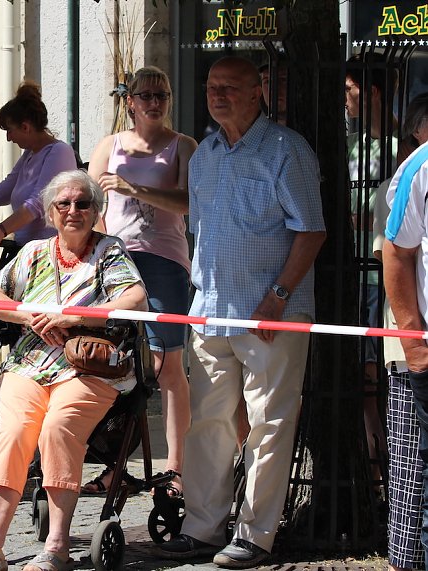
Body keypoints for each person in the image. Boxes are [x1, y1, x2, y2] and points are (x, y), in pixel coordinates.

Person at [154, 56, 325, 569]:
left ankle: (256, 535)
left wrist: (278, 295)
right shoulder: (205, 154)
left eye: (230, 87)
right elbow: (201, 233)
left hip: (269, 313)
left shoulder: (284, 151)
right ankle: (202, 528)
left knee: (270, 423)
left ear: (258, 92)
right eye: (211, 87)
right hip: (211, 311)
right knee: (207, 423)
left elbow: (311, 230)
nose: (217, 94)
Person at [0, 170, 147, 571]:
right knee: (14, 432)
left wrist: (74, 315)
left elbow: (136, 298)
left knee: (57, 428)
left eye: (82, 203)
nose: (72, 211)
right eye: (63, 204)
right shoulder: (33, 251)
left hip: (90, 366)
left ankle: (56, 546)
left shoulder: (110, 250)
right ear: (50, 212)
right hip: (29, 364)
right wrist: (26, 314)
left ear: (95, 210)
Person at [86, 65, 197, 497]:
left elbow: (187, 203)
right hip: (116, 262)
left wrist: (133, 189)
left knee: (166, 366)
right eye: (146, 96)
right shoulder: (109, 146)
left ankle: (175, 469)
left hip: (164, 260)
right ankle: (116, 464)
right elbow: (88, 201)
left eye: (162, 95)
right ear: (129, 101)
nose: (154, 103)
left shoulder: (182, 146)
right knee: (112, 363)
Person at [374, 93, 428, 571]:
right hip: (420, 352)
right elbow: (394, 253)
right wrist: (414, 345)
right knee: (416, 471)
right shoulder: (416, 171)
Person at [346, 53, 399, 488]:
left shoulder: (402, 149)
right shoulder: (354, 145)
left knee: (383, 374)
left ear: (371, 91)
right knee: (363, 374)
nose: (345, 102)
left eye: (349, 91)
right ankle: (373, 466)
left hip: (384, 272)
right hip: (355, 270)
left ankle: (390, 467)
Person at [0, 82, 76, 247]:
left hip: (50, 248)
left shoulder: (59, 152)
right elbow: (6, 189)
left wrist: (1, 230)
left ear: (25, 127)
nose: (9, 138)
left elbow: (39, 202)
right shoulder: (30, 154)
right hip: (26, 247)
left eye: (10, 130)